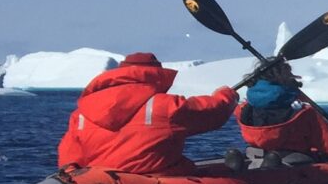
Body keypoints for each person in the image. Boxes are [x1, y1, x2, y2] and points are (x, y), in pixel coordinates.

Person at [57, 52, 237, 175]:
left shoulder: (81, 112)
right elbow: (210, 112)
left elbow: (70, 153)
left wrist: (72, 176)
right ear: (156, 74)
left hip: (99, 182)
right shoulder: (163, 105)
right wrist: (226, 96)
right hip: (158, 179)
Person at [235, 62, 328, 162]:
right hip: (296, 161)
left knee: (264, 155)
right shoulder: (305, 114)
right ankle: (274, 164)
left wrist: (291, 94)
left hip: (256, 155)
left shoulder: (243, 109)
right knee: (307, 159)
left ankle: (243, 162)